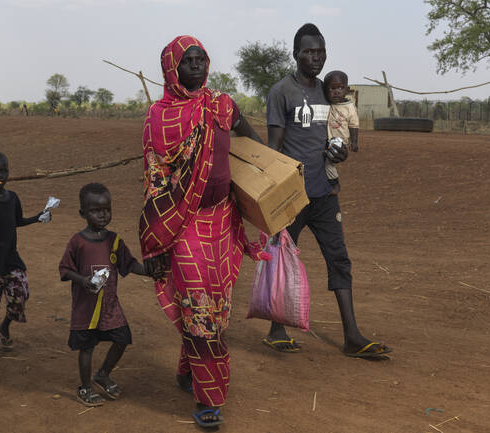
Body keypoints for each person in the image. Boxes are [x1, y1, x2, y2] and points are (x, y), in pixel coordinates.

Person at [139, 35, 269, 428]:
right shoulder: (157, 117)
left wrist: (268, 178)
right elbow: (155, 179)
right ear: (171, 69)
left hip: (224, 221)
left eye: (201, 59)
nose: (196, 65)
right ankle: (209, 399)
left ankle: (188, 369)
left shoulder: (221, 104)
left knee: (216, 309)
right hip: (184, 223)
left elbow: (253, 142)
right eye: (187, 61)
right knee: (199, 309)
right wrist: (158, 238)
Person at [264, 23, 391, 358]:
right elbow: (273, 147)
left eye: (320, 51)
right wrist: (272, 194)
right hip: (291, 196)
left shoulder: (329, 91)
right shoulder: (281, 92)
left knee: (339, 258)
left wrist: (341, 153)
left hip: (324, 192)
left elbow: (338, 140)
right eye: (308, 52)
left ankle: (352, 336)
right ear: (295, 54)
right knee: (282, 259)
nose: (315, 58)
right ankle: (276, 328)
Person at [59, 183, 149, 407]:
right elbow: (65, 269)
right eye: (95, 210)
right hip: (86, 308)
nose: (102, 214)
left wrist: (151, 270)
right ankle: (85, 387)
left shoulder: (114, 241)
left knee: (122, 339)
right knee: (87, 347)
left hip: (109, 306)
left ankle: (103, 374)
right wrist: (83, 280)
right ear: (83, 213)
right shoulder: (77, 242)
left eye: (106, 209)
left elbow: (130, 264)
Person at [0, 151, 46, 357]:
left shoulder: (13, 197)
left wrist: (37, 217)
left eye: (3, 170)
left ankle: (4, 326)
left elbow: (17, 221)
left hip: (11, 258)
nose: (0, 175)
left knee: (21, 294)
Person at [323, 70, 359, 195]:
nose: (337, 91)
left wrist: (354, 142)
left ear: (347, 89)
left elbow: (354, 125)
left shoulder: (349, 107)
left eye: (341, 88)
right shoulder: (327, 103)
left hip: (339, 141)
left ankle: (335, 184)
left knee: (329, 163)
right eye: (332, 88)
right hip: (326, 138)